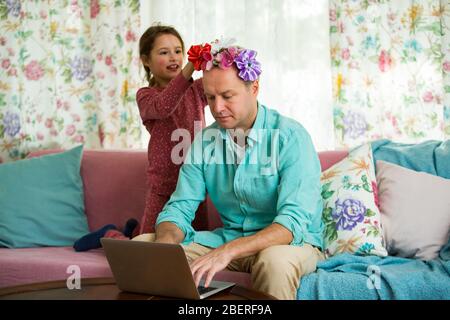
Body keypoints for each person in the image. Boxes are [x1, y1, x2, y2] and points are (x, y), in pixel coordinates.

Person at [133, 40, 325, 300]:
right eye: (210, 97)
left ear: (254, 88)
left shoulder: (290, 136)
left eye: (227, 96)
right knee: (143, 247)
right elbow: (179, 207)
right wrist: (166, 241)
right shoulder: (205, 141)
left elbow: (291, 223)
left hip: (289, 244)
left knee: (274, 263)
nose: (217, 108)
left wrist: (230, 250)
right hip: (230, 238)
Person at [73, 24, 208, 252]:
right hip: (163, 187)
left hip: (195, 187)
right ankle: (113, 233)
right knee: (144, 249)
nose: (174, 57)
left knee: (191, 245)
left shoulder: (196, 90)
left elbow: (223, 86)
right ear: (146, 60)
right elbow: (164, 106)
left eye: (178, 51)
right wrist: (189, 68)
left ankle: (132, 229)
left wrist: (219, 57)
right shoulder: (146, 96)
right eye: (164, 52)